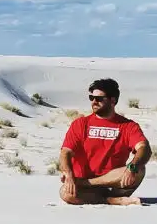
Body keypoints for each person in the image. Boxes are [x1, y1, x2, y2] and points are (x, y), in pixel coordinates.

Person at [58, 78, 151, 206]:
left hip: (114, 184)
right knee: (65, 193)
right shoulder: (80, 124)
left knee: (139, 169)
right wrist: (68, 175)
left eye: (99, 98)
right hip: (84, 187)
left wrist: (132, 168)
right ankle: (112, 200)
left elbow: (144, 148)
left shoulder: (128, 126)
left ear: (113, 100)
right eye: (91, 98)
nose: (94, 102)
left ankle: (99, 191)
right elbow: (65, 152)